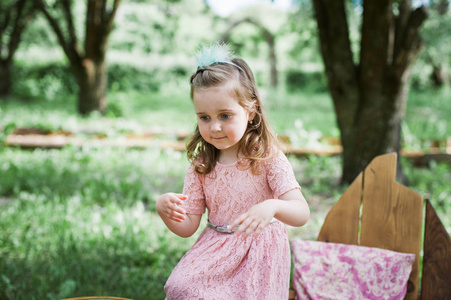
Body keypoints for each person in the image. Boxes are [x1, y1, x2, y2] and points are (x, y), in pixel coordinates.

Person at [156, 43, 310, 299]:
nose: (214, 127)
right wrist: (165, 209)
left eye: (225, 115)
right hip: (215, 247)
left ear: (250, 112)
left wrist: (272, 206)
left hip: (259, 252)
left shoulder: (267, 157)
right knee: (180, 287)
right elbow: (189, 226)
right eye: (204, 117)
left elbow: (301, 213)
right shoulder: (201, 165)